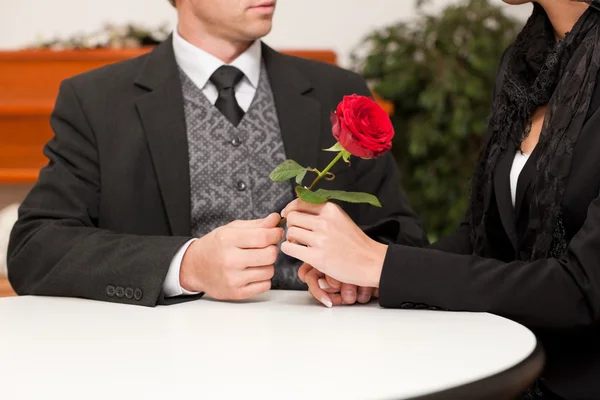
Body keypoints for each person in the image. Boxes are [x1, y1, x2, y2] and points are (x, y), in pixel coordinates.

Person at [6, 0, 424, 307]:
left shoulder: (337, 90)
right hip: (161, 363)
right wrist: (184, 265)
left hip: (327, 356)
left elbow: (402, 234)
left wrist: (358, 276)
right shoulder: (95, 101)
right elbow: (35, 249)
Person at [281, 1, 600, 399]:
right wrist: (372, 274)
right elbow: (484, 236)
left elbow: (584, 291)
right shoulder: (526, 61)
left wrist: (384, 265)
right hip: (510, 363)